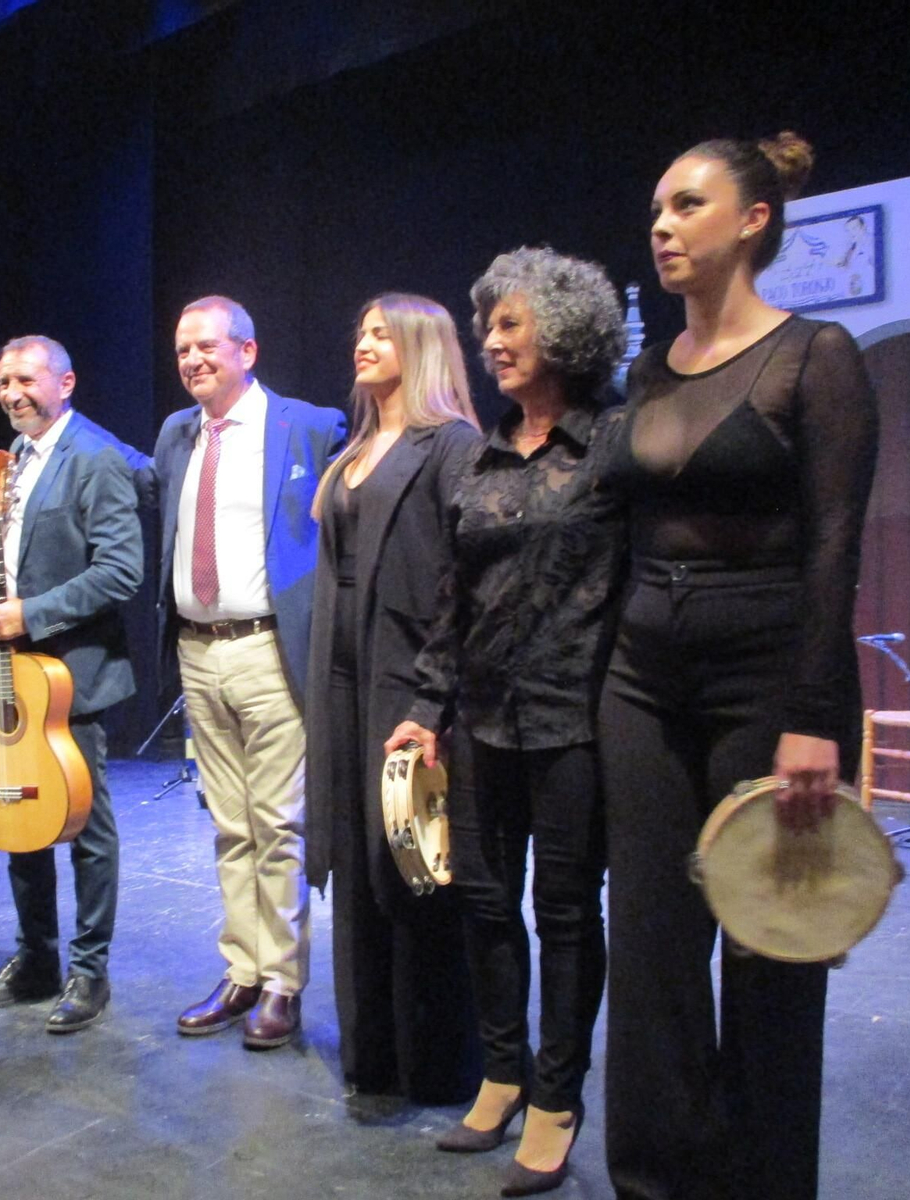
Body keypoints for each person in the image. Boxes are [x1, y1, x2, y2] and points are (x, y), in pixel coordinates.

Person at [597, 132, 878, 1200]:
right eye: (657, 208)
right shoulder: (645, 369)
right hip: (641, 669)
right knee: (654, 949)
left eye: (687, 205)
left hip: (767, 667)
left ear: (752, 220)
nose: (661, 225)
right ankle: (658, 1182)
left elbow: (834, 543)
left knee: (769, 946)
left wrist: (815, 715)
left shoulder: (816, 357)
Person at [388, 249, 626, 1196]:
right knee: (485, 902)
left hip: (575, 722)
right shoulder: (481, 455)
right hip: (481, 721)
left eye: (509, 325)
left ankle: (559, 1095)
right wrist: (422, 711)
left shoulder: (612, 442)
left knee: (566, 913)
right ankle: (502, 1071)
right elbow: (453, 600)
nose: (490, 342)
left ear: (566, 330)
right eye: (485, 327)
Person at [153, 295, 346, 1049]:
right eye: (182, 351)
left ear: (248, 351)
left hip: (270, 650)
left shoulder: (308, 424)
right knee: (229, 825)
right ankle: (240, 969)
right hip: (197, 650)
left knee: (279, 824)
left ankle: (282, 985)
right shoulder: (176, 434)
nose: (193, 361)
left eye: (207, 347)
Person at [304, 293, 482, 1103]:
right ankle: (372, 1053)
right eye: (360, 329)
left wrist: (433, 699)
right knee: (353, 854)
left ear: (422, 345)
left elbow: (464, 582)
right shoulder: (357, 449)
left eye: (382, 332)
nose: (364, 342)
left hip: (405, 677)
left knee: (408, 864)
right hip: (340, 675)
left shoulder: (451, 445)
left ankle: (434, 1063)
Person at [0, 335, 143, 1033]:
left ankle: (89, 972)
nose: (11, 393)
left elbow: (122, 570)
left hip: (73, 676)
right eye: (3, 382)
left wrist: (31, 613)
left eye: (25, 379)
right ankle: (35, 958)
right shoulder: (10, 465)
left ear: (66, 383)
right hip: (10, 677)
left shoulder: (95, 457)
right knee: (19, 817)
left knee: (86, 827)